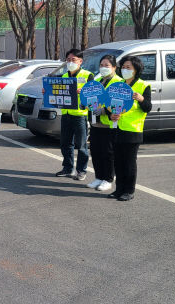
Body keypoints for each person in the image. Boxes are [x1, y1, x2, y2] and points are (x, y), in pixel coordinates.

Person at [106, 55, 152, 201]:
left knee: (129, 162)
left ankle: (129, 190)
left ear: (136, 70)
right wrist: (110, 115)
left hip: (133, 130)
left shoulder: (143, 86)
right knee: (118, 161)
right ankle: (119, 189)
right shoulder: (118, 85)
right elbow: (109, 105)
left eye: (128, 67)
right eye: (123, 67)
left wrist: (141, 99)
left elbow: (148, 108)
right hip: (116, 128)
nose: (125, 70)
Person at [87, 55, 125, 192]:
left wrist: (102, 111)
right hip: (95, 123)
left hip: (110, 124)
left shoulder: (119, 82)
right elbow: (90, 99)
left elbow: (119, 104)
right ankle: (98, 177)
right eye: (101, 65)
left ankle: (108, 179)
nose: (103, 67)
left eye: (107, 65)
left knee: (108, 152)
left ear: (114, 67)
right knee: (95, 151)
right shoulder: (97, 80)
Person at [55, 49, 93, 181]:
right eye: (68, 60)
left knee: (81, 145)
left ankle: (81, 171)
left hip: (80, 115)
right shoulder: (64, 76)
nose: (70, 62)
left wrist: (84, 91)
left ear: (80, 61)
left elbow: (94, 95)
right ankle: (67, 168)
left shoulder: (88, 75)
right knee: (65, 144)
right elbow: (56, 93)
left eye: (74, 60)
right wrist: (47, 91)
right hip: (66, 114)